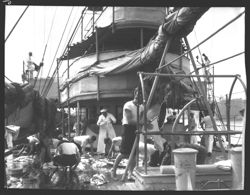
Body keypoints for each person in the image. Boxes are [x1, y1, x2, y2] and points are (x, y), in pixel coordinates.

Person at [111, 87, 144, 181]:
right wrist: (141, 123)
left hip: (136, 129)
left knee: (133, 155)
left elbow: (141, 119)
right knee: (123, 153)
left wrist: (142, 122)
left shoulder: (141, 107)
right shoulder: (128, 105)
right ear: (135, 94)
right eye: (138, 93)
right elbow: (130, 121)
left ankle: (130, 173)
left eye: (141, 94)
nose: (139, 96)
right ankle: (113, 171)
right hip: (128, 129)